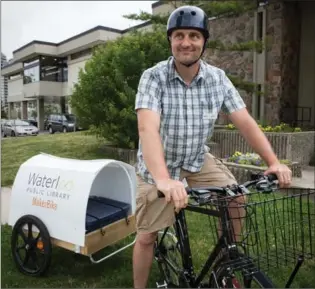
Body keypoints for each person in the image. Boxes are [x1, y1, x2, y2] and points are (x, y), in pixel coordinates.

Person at [132, 5, 292, 289]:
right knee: (146, 237)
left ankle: (228, 266)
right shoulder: (153, 77)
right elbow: (147, 128)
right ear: (170, 40)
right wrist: (163, 179)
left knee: (236, 199)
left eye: (194, 35)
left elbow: (244, 121)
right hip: (159, 165)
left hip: (196, 159)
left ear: (204, 41)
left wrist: (273, 161)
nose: (186, 42)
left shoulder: (217, 78)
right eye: (179, 35)